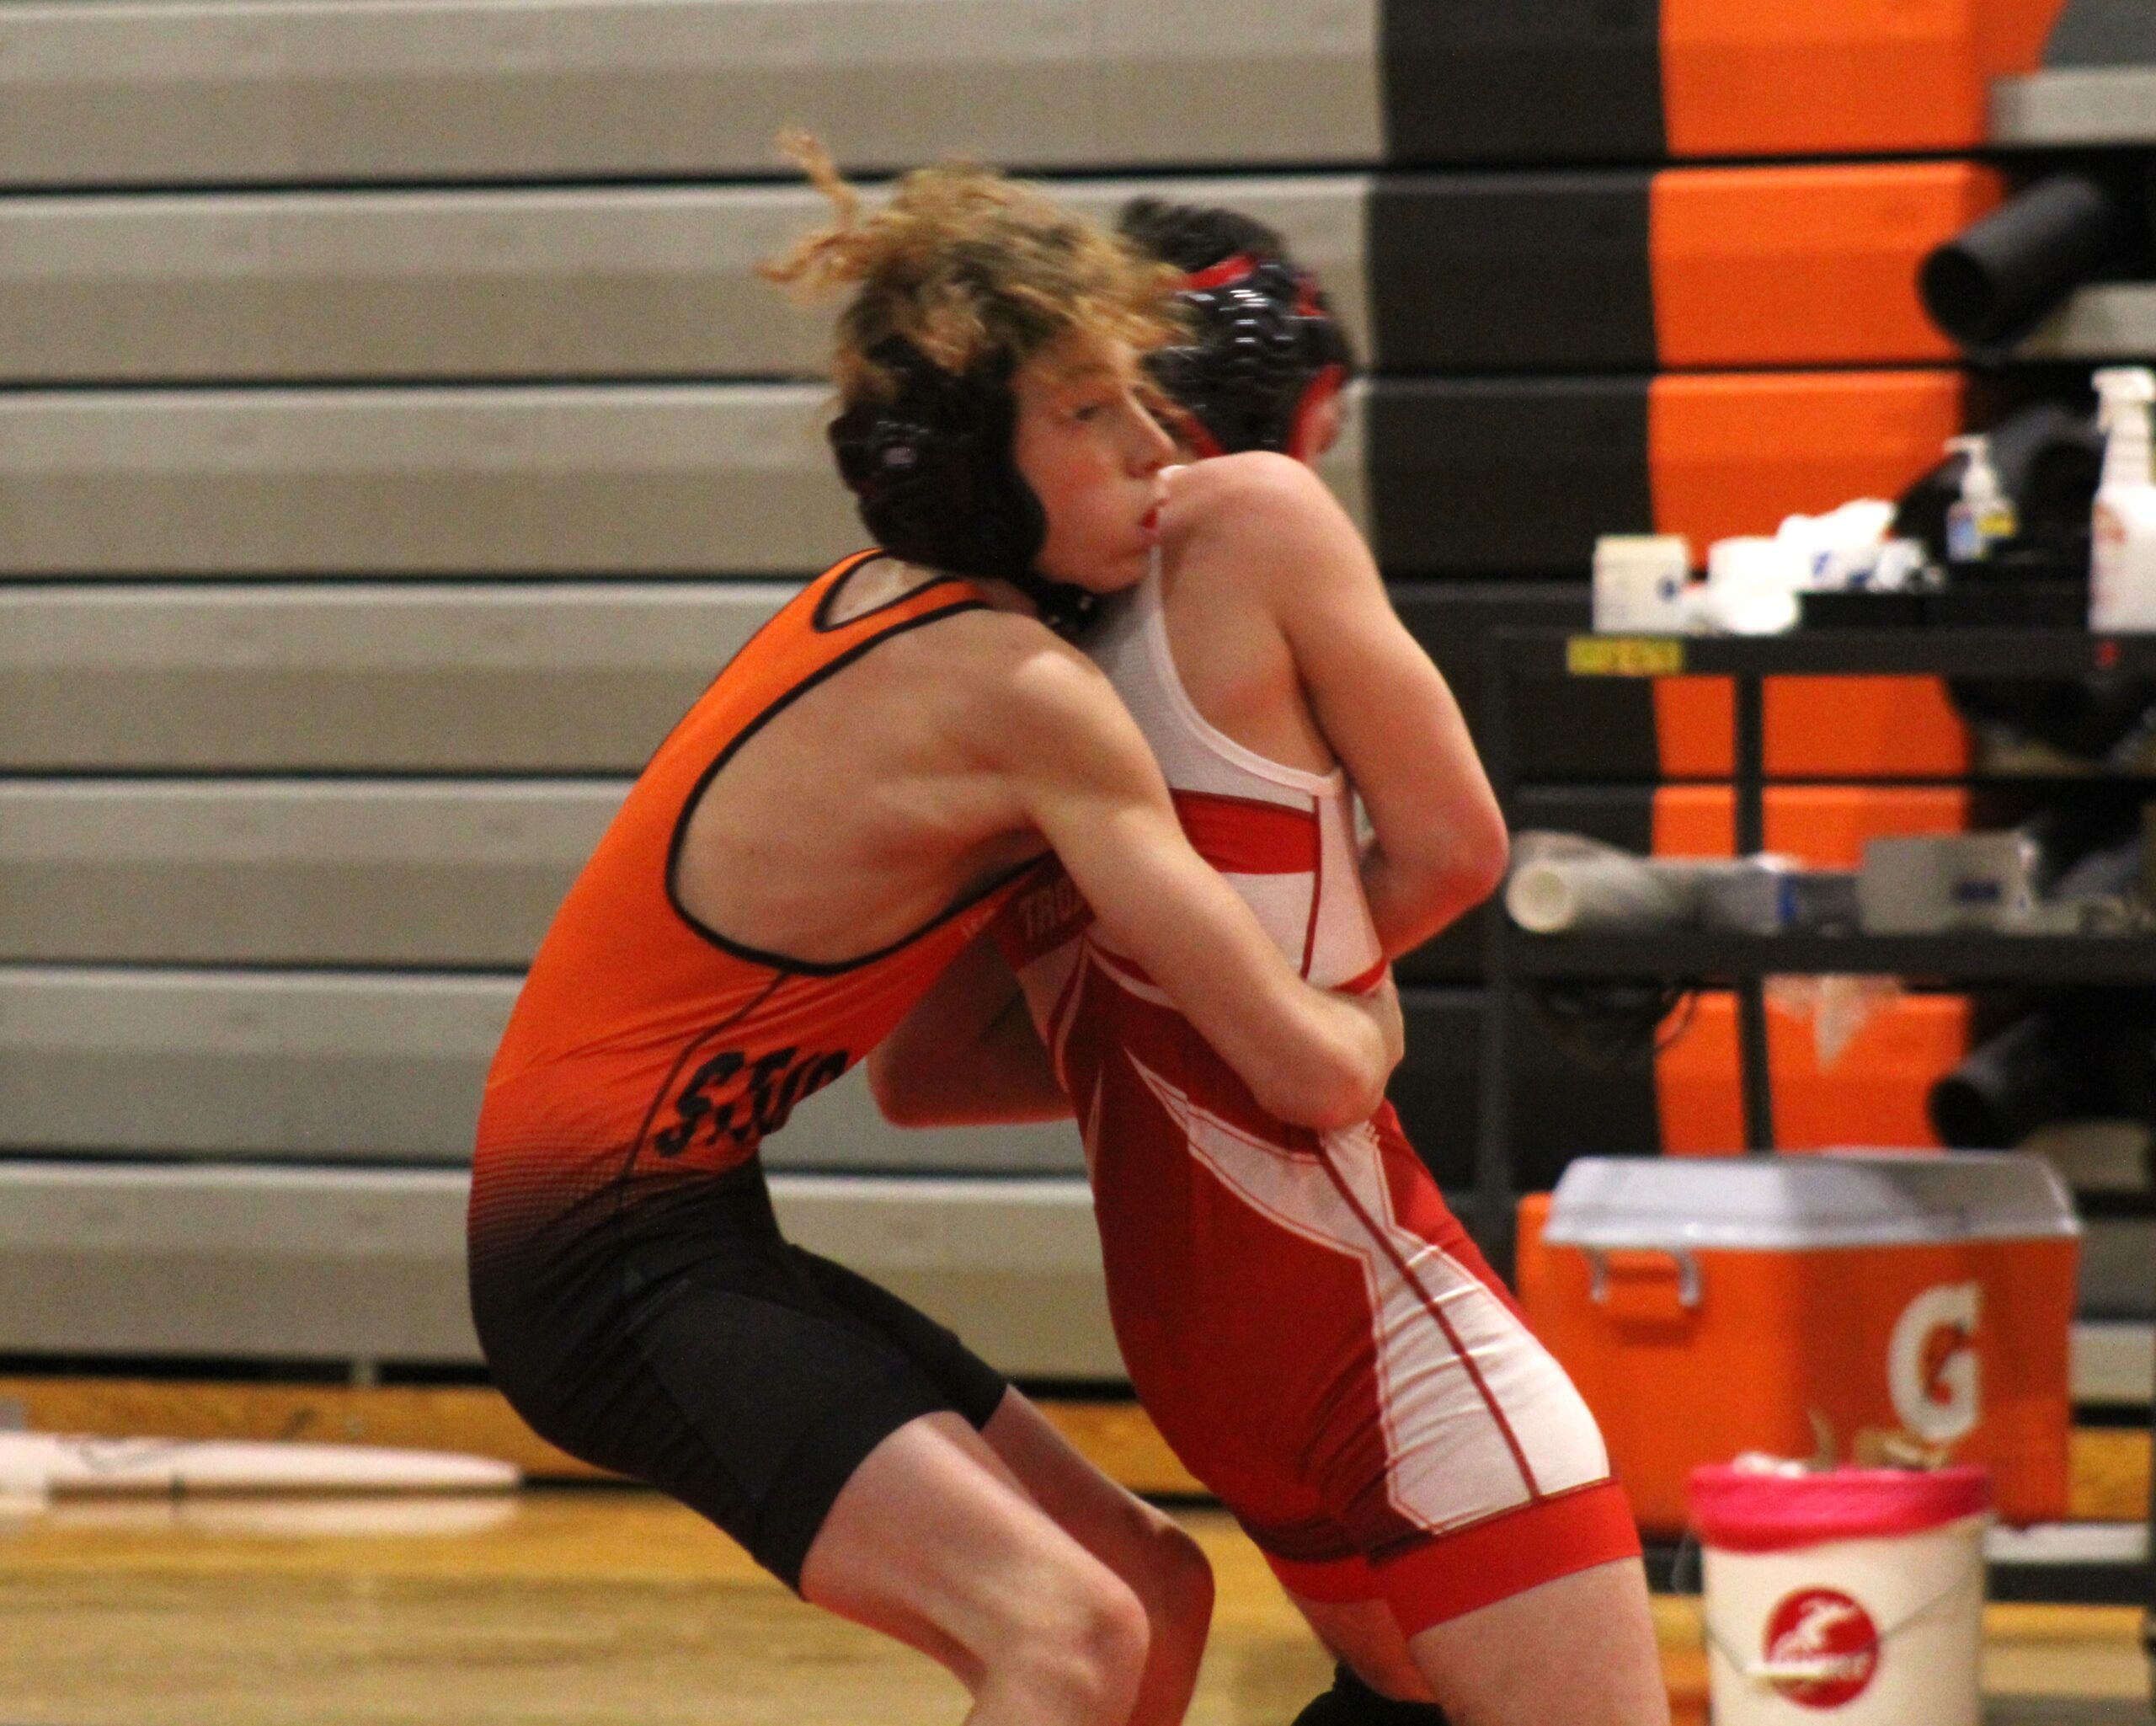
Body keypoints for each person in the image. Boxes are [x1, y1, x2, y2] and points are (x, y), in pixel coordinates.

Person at [467, 150, 1406, 1726]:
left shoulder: (910, 615)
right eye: (1091, 411)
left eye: (1143, 399)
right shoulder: (1013, 692)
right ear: (973, 461)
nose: (1158, 446)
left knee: (1152, 1588)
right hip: (602, 1265)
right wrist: (1371, 1000)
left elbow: (927, 1079)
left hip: (681, 1230)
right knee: (1067, 1634)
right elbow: (1317, 1070)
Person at [872, 200, 1670, 1726]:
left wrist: (1196, 1014)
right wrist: (1303, 1002)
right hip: (1368, 1313)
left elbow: (925, 1073)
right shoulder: (1250, 514)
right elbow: (1457, 849)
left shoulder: (980, 648)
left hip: (1198, 1351)